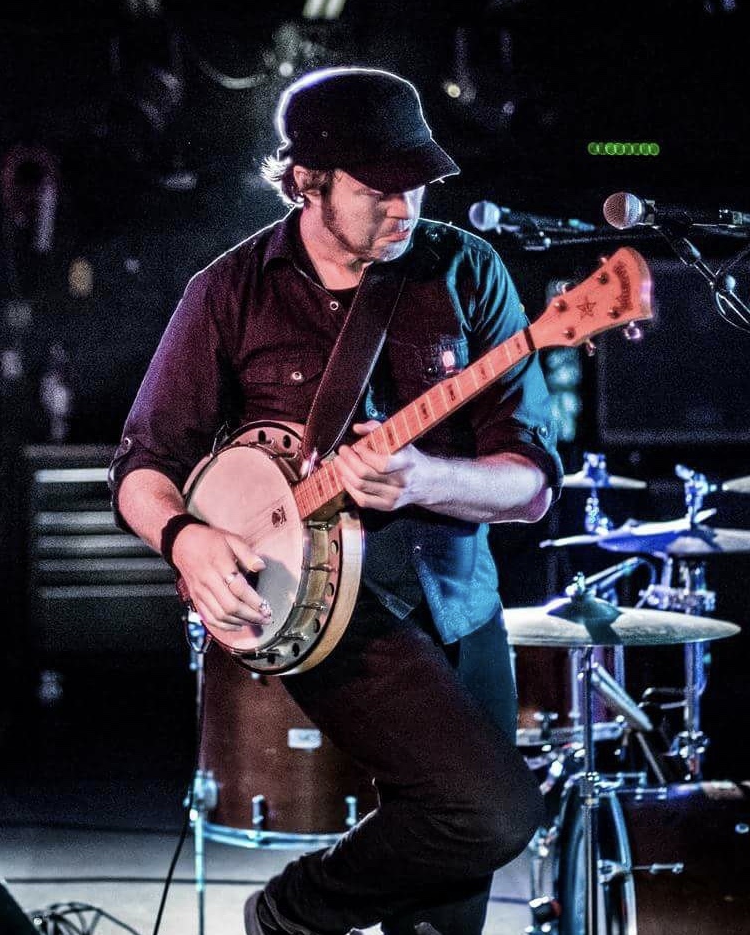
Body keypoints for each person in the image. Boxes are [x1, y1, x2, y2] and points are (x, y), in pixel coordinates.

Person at [108, 66, 562, 935]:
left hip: (462, 601)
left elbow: (533, 483)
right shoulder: (230, 291)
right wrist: (185, 540)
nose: (405, 208)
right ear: (305, 182)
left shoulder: (466, 271)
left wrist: (431, 479)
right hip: (329, 614)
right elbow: (141, 462)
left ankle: (293, 919)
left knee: (450, 895)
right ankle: (292, 911)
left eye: (417, 184)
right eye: (377, 189)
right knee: (493, 813)